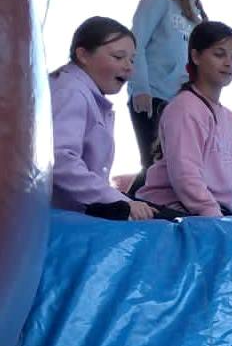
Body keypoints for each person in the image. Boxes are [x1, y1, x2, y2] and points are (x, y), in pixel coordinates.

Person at [136, 21, 232, 218]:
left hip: (216, 218)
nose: (229, 63)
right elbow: (185, 175)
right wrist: (213, 218)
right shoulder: (184, 108)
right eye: (219, 54)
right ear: (196, 56)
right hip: (177, 216)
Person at [49, 16, 162, 221]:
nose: (129, 67)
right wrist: (116, 200)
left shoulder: (84, 94)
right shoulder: (72, 92)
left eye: (132, 60)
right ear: (83, 55)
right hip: (60, 218)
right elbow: (60, 159)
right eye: (118, 57)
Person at [127, 0, 213, 171]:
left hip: (182, 103)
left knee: (176, 166)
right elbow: (135, 43)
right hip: (153, 97)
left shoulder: (200, 17)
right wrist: (140, 88)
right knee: (156, 165)